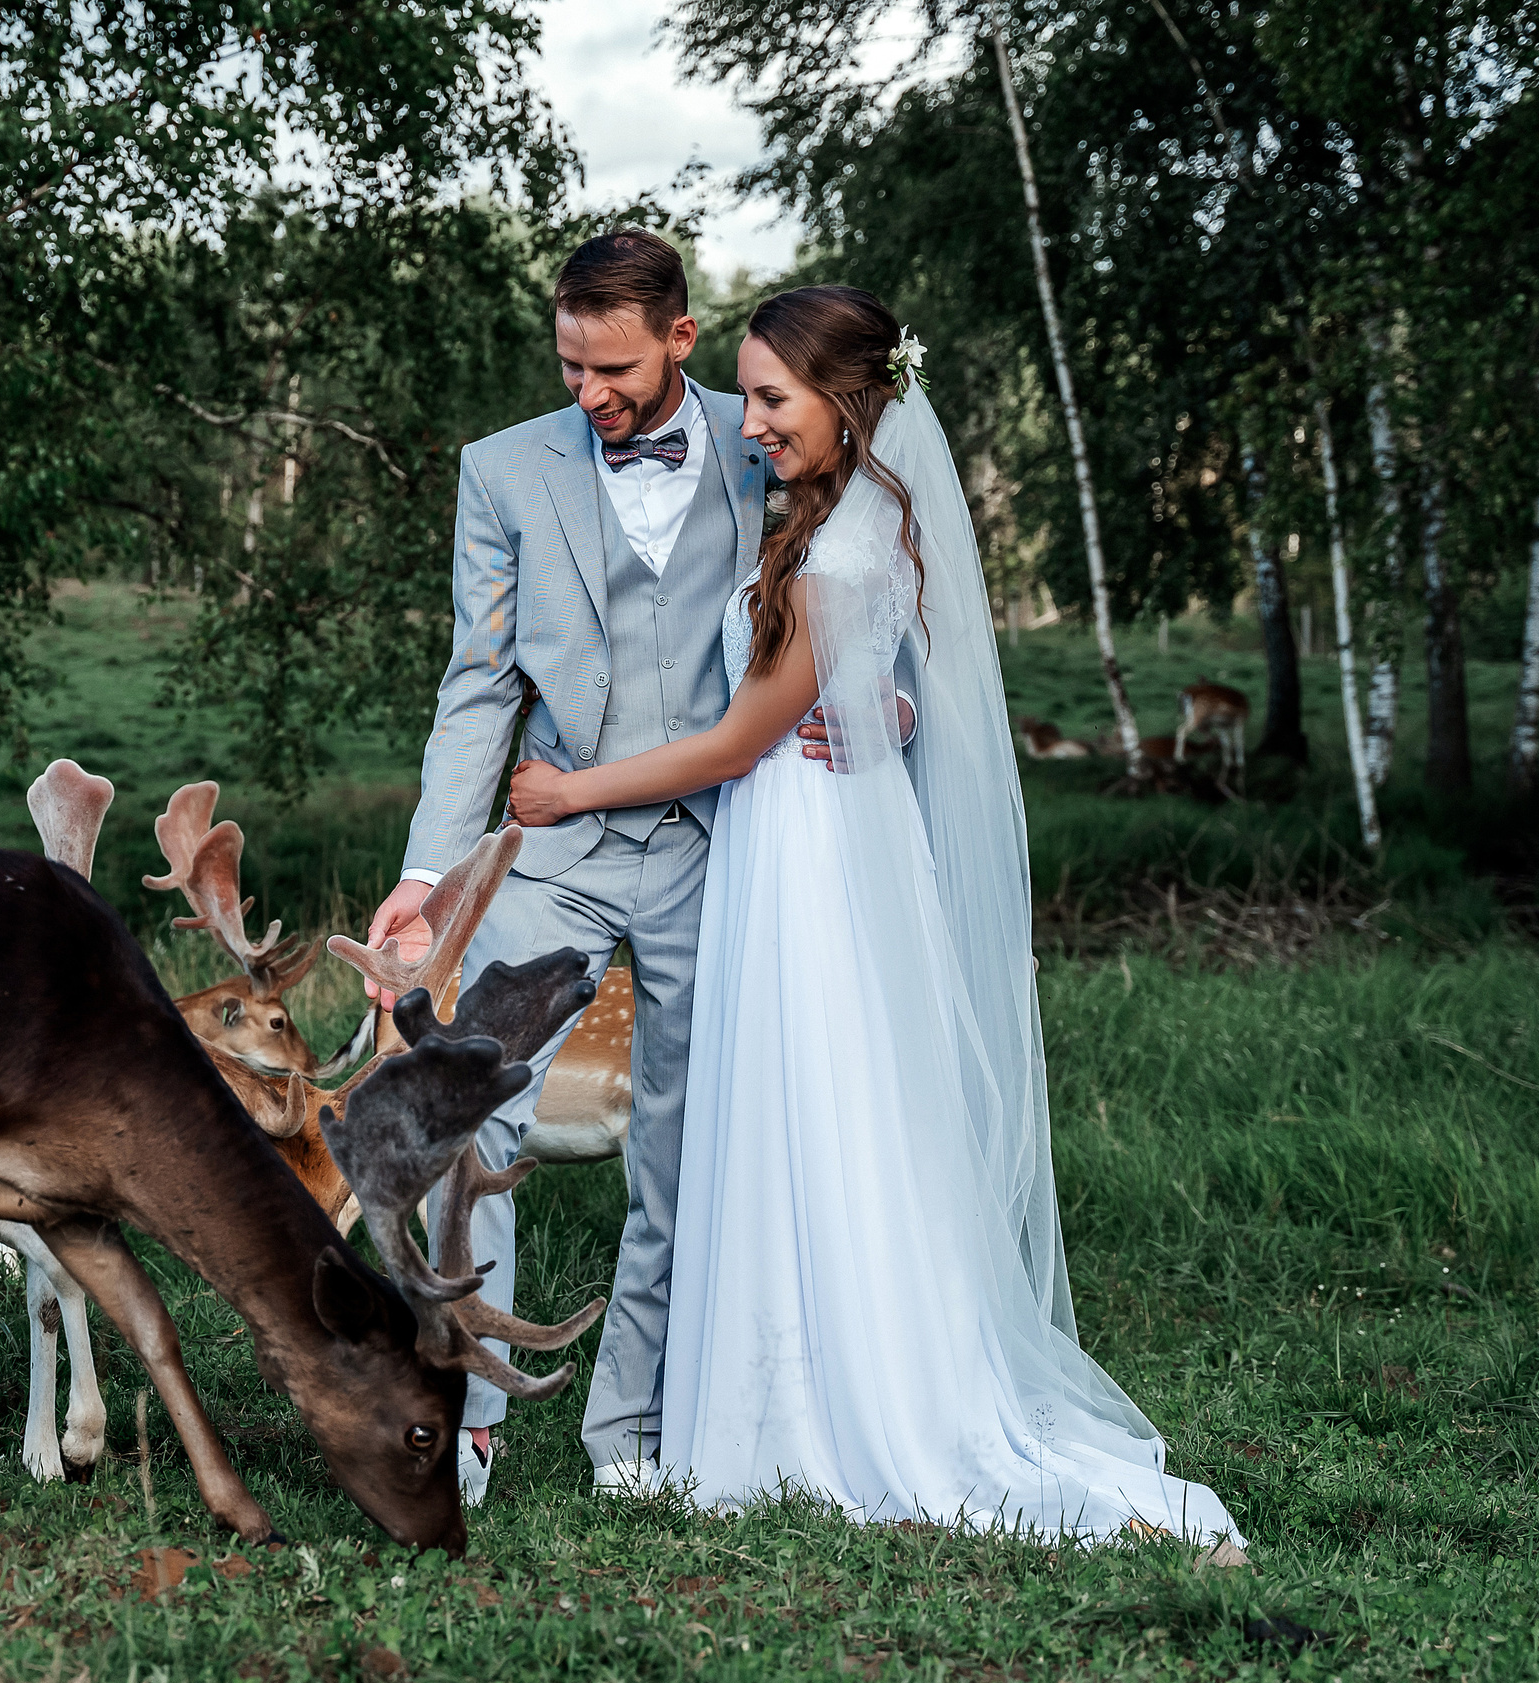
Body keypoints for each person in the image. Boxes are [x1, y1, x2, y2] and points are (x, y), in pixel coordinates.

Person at [505, 284, 1244, 1551]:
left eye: (775, 401)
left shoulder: (836, 547)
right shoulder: (860, 520)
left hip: (801, 845)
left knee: (807, 1100)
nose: (751, 425)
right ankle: (797, 1374)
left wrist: (573, 787)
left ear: (848, 406)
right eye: (747, 399)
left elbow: (737, 739)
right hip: (836, 828)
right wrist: (882, 708)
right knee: (838, 1106)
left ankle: (817, 1401)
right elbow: (902, 689)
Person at [364, 232, 907, 1505]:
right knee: (462, 1102)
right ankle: (469, 1408)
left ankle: (639, 1430)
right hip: (554, 845)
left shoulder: (769, 424)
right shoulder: (500, 472)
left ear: (678, 337)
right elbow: (475, 683)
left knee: (684, 1141)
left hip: (728, 841)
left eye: (612, 367)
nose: (588, 392)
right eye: (568, 365)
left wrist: (886, 703)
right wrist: (429, 869)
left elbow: (869, 577)